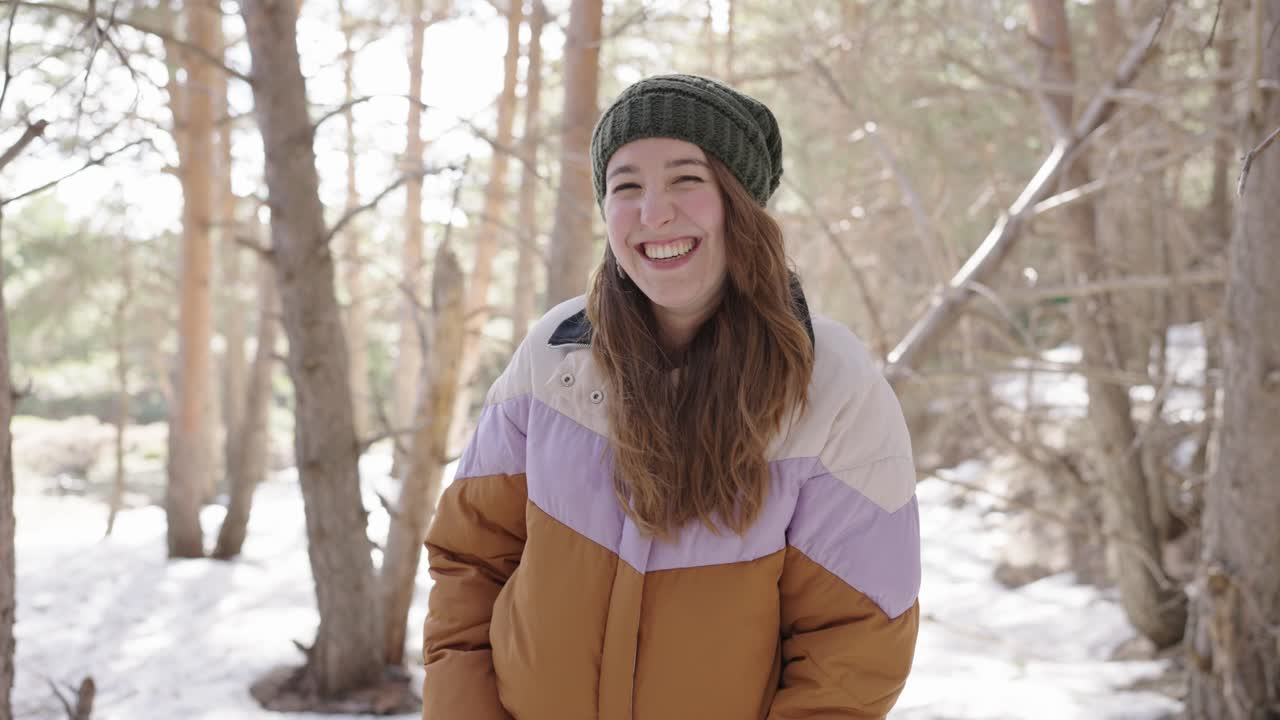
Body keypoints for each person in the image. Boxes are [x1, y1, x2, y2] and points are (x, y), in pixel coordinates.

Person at [421, 73, 920, 719]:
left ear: (739, 203)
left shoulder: (830, 384)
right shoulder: (553, 356)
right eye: (626, 185)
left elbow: (855, 641)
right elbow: (469, 562)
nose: (653, 212)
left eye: (686, 179)